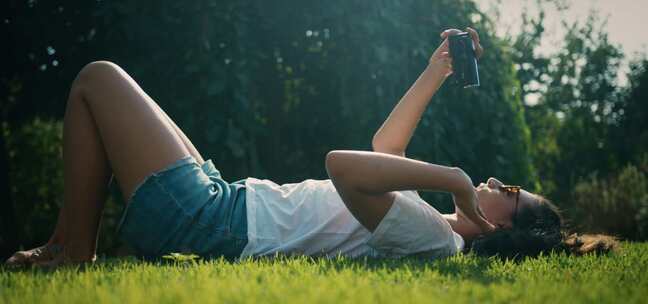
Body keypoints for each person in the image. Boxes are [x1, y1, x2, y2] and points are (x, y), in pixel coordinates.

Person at [5, 28, 615, 267]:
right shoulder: (432, 227)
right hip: (224, 206)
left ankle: (70, 249)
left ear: (507, 227)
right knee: (105, 87)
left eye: (509, 193)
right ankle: (68, 245)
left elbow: (342, 165)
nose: (497, 182)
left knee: (97, 79)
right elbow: (384, 147)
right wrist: (435, 73)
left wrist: (454, 177)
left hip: (214, 223)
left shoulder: (440, 239)